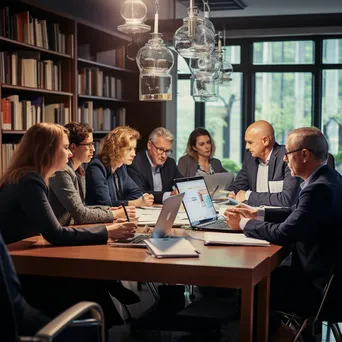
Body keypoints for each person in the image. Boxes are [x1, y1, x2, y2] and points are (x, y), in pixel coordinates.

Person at [0, 123, 139, 331]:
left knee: (91, 279)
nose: (69, 151)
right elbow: (55, 233)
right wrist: (107, 231)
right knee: (87, 280)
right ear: (48, 150)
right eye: (65, 147)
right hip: (22, 272)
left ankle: (105, 326)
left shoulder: (27, 176)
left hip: (23, 261)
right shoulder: (30, 181)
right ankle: (97, 329)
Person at [224, 127, 342, 338]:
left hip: (317, 289)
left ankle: (282, 336)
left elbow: (285, 233)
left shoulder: (318, 189)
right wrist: (256, 214)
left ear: (304, 155)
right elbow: (297, 213)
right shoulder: (331, 178)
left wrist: (243, 224)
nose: (285, 160)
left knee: (253, 285)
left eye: (288, 153)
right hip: (328, 280)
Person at [49, 122, 136, 225]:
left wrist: (110, 210)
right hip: (59, 233)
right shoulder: (61, 172)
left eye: (92, 144)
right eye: (88, 145)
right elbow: (80, 214)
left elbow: (83, 206)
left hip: (70, 228)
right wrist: (114, 214)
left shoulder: (78, 170)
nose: (93, 149)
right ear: (73, 148)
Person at [227, 120, 300, 207]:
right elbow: (239, 185)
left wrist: (248, 195)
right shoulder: (250, 158)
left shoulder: (287, 157)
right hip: (256, 215)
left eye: (250, 142)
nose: (247, 147)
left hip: (282, 217)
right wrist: (230, 193)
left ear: (265, 141)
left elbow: (286, 199)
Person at [86, 126, 154, 207]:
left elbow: (137, 193)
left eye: (134, 149)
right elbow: (105, 204)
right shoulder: (96, 168)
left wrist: (143, 199)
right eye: (129, 149)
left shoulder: (121, 167)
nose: (134, 154)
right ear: (116, 148)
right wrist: (134, 203)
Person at [127, 127, 183, 204]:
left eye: (167, 151)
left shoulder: (170, 163)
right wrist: (168, 195)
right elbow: (139, 193)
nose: (164, 155)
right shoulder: (135, 163)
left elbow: (182, 183)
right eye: (160, 150)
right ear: (149, 145)